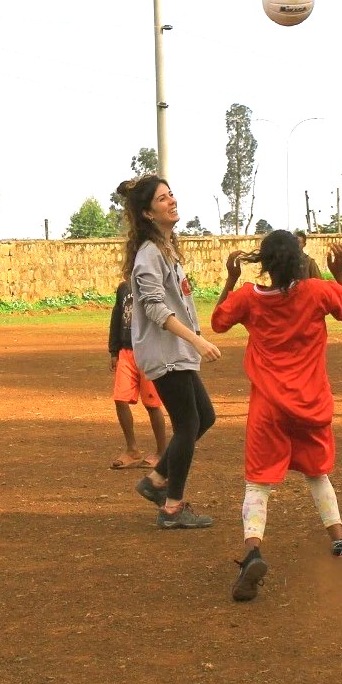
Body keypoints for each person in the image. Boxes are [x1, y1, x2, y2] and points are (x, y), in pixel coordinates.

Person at [211, 232, 342, 602]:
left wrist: (231, 280)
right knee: (317, 473)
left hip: (268, 409)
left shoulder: (249, 297)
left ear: (264, 263)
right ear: (300, 261)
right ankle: (339, 539)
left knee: (258, 483)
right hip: (311, 405)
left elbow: (218, 322)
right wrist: (340, 273)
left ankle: (253, 550)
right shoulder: (318, 291)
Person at [118, 175, 221, 530]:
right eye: (163, 199)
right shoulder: (149, 255)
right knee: (189, 423)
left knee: (203, 418)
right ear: (147, 213)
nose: (172, 201)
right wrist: (196, 340)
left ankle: (157, 479)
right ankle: (173, 506)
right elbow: (155, 309)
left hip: (177, 351)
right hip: (166, 353)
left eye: (171, 194)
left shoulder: (167, 249)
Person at [107, 279, 167, 469]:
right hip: (126, 351)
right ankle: (132, 450)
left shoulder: (156, 285)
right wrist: (113, 351)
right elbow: (117, 317)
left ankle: (161, 452)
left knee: (152, 404)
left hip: (149, 352)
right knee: (120, 399)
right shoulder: (124, 288)